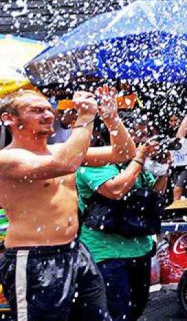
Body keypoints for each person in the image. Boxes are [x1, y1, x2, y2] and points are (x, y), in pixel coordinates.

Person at [0, 89, 134, 320]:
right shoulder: (8, 158)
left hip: (74, 251)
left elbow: (123, 153)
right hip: (34, 258)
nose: (48, 115)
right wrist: (84, 119)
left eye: (48, 110)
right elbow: (67, 164)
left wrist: (112, 118)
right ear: (9, 119)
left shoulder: (58, 150)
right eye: (36, 110)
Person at [77, 133, 170, 321]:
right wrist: (139, 157)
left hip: (139, 248)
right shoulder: (93, 162)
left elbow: (155, 192)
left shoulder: (135, 163)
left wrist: (163, 168)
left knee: (136, 309)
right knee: (116, 313)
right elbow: (115, 190)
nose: (136, 142)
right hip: (105, 253)